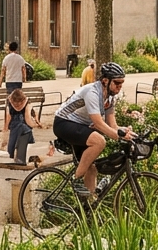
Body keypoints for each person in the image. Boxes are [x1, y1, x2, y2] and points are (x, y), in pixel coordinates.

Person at [53, 61, 135, 197]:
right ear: (105, 81)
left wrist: (125, 131)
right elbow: (98, 123)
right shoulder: (92, 92)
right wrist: (118, 136)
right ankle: (76, 180)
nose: (120, 87)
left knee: (92, 168)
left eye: (122, 83)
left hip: (80, 126)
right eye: (117, 83)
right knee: (99, 141)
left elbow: (112, 125)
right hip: (64, 122)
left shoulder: (109, 97)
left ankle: (88, 207)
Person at [3, 88, 44, 166]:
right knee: (24, 130)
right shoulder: (9, 101)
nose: (17, 105)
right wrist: (5, 127)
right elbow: (8, 116)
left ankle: (14, 155)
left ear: (22, 100)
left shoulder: (26, 102)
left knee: (22, 130)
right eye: (15, 103)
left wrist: (37, 122)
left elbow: (30, 115)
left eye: (19, 103)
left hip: (22, 123)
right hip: (16, 124)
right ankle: (28, 153)